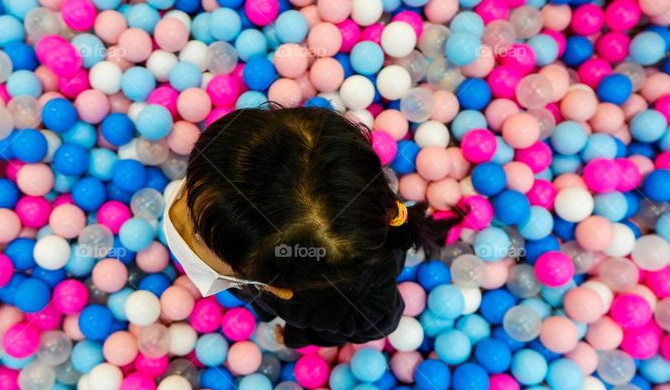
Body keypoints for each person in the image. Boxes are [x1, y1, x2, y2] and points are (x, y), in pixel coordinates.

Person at [162, 105, 461, 348]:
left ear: (278, 288)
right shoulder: (332, 182)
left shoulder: (355, 306)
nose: (174, 215)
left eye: (199, 234)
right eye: (191, 186)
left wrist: (299, 336)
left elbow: (380, 323)